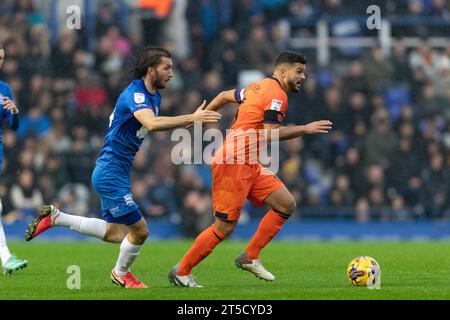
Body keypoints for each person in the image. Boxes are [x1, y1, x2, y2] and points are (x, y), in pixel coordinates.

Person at [25, 46, 221, 288]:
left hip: (115, 170)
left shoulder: (154, 96)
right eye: (167, 68)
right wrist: (190, 118)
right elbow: (151, 122)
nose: (172, 73)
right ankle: (121, 274)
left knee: (116, 234)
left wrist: (190, 121)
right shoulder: (135, 95)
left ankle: (58, 217)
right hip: (110, 171)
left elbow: (152, 124)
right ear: (151, 71)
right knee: (140, 231)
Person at [169, 51, 332, 287]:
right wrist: (304, 129)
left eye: (304, 72)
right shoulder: (277, 95)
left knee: (286, 204)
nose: (303, 77)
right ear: (283, 71)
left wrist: (202, 115)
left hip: (249, 163)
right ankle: (181, 271)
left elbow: (225, 96)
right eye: (299, 71)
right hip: (234, 163)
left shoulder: (256, 87)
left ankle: (250, 256)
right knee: (224, 227)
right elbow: (270, 133)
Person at [0, 44, 28, 275]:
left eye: (1, 57)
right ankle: (5, 257)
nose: (0, 61)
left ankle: (6, 257)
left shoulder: (4, 88)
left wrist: (14, 112)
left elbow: (13, 126)